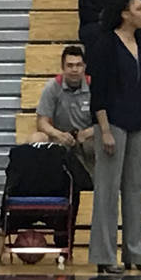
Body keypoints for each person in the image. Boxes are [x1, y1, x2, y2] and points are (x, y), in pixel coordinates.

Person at [87, 0, 141, 274]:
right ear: (125, 14)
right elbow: (98, 91)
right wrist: (104, 130)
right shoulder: (106, 44)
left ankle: (135, 253)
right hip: (112, 123)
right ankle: (104, 256)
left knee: (134, 189)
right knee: (107, 190)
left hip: (138, 122)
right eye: (139, 8)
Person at [29, 45, 95, 184]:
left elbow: (107, 122)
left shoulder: (94, 86)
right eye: (70, 65)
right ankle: (38, 186)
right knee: (37, 138)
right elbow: (42, 122)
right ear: (63, 67)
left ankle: (103, 185)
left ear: (85, 67)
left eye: (78, 65)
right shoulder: (53, 87)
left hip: (88, 139)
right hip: (61, 138)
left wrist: (88, 133)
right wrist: (59, 134)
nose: (74, 70)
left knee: (106, 140)